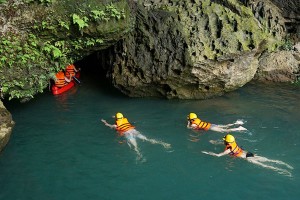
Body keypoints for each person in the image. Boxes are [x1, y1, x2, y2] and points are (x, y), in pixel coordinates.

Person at [202, 134, 294, 177]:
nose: (224, 141)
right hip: (249, 153)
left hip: (247, 158)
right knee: (268, 160)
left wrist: (208, 153)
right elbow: (227, 145)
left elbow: (218, 155)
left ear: (227, 141)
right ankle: (286, 165)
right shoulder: (233, 143)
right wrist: (214, 142)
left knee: (266, 166)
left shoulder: (229, 149)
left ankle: (284, 171)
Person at [101, 112, 171, 160]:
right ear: (122, 118)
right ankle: (163, 144)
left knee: (135, 146)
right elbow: (120, 118)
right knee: (147, 139)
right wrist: (115, 117)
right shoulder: (125, 120)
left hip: (128, 134)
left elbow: (108, 125)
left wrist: (104, 122)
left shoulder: (115, 125)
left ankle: (139, 155)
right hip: (134, 131)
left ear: (116, 119)